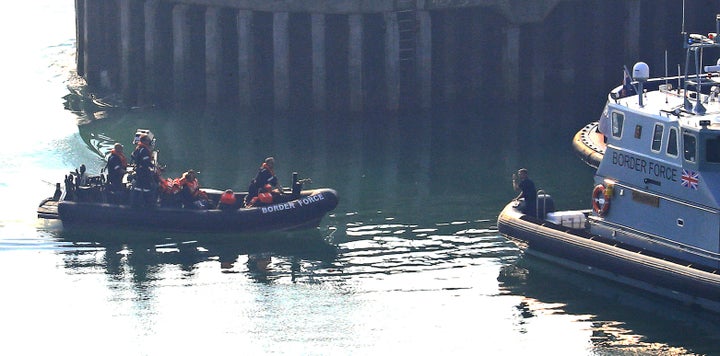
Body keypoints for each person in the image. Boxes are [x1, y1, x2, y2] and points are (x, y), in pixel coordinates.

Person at [130, 134, 156, 207]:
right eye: (148, 140)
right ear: (144, 141)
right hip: (143, 172)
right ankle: (148, 204)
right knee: (147, 187)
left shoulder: (138, 148)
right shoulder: (144, 150)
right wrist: (152, 167)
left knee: (138, 187)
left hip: (139, 171)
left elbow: (133, 156)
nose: (149, 142)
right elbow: (146, 162)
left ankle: (135, 203)